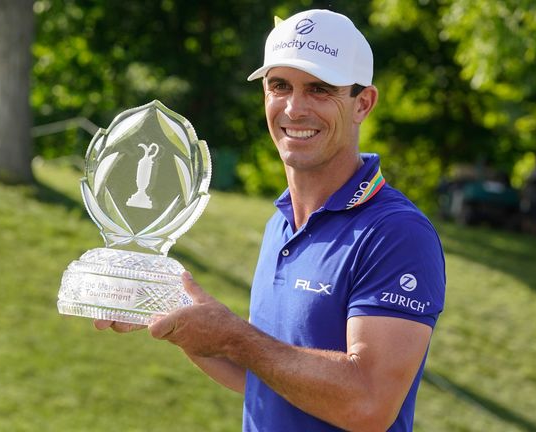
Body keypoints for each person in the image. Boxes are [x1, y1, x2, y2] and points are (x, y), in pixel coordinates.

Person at [96, 9, 445, 431]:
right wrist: (175, 314)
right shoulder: (281, 223)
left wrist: (232, 336)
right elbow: (268, 376)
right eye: (279, 86)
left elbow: (367, 403)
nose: (295, 108)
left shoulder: (396, 233)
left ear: (363, 103)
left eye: (319, 89)